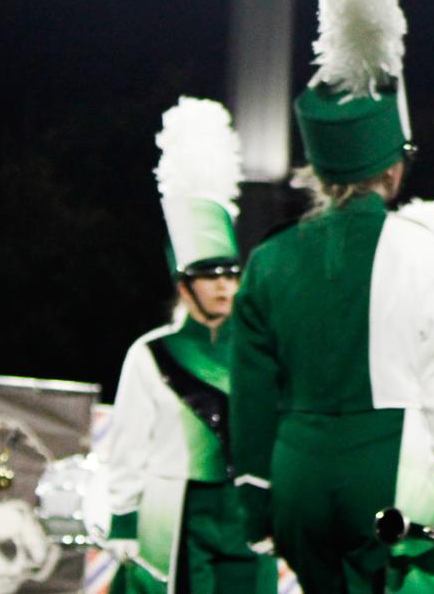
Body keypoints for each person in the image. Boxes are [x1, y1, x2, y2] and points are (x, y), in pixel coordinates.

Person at [230, 0, 434, 593]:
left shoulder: (267, 259)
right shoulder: (423, 247)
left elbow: (251, 397)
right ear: (393, 164)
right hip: (389, 481)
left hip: (294, 478)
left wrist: (256, 502)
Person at [102, 98, 276, 594]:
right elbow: (128, 444)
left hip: (247, 513)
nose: (223, 287)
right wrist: (123, 520)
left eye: (230, 275)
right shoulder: (151, 353)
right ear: (184, 287)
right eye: (208, 277)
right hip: (178, 513)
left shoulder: (259, 349)